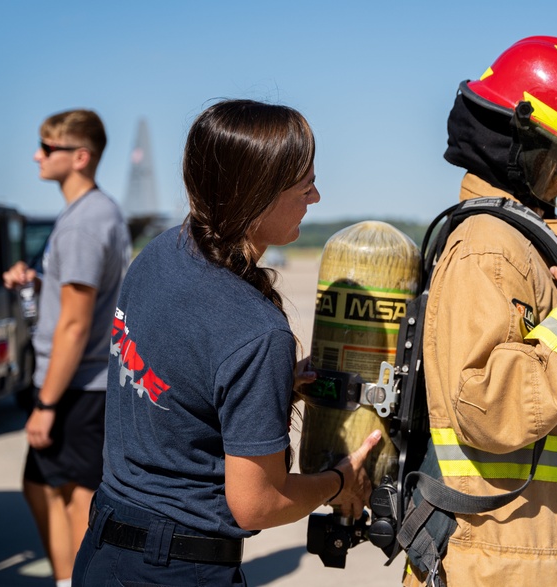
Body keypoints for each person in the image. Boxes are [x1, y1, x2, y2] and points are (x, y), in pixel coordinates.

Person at [72, 99, 381, 586]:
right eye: (305, 186)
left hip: (104, 550)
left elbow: (177, 384)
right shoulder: (256, 331)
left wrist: (271, 388)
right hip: (177, 569)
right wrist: (342, 482)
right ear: (257, 196)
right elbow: (256, 504)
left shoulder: (160, 254)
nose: (316, 197)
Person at [405, 36, 557, 587]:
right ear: (531, 149)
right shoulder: (490, 248)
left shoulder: (527, 242)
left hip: (528, 553)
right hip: (497, 563)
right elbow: (492, 406)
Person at [2, 109, 131, 587]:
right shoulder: (91, 213)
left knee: (78, 501)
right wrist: (37, 282)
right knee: (41, 487)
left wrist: (46, 404)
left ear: (80, 157)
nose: (37, 155)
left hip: (78, 387)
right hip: (82, 383)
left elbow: (75, 326)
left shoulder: (82, 224)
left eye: (47, 147)